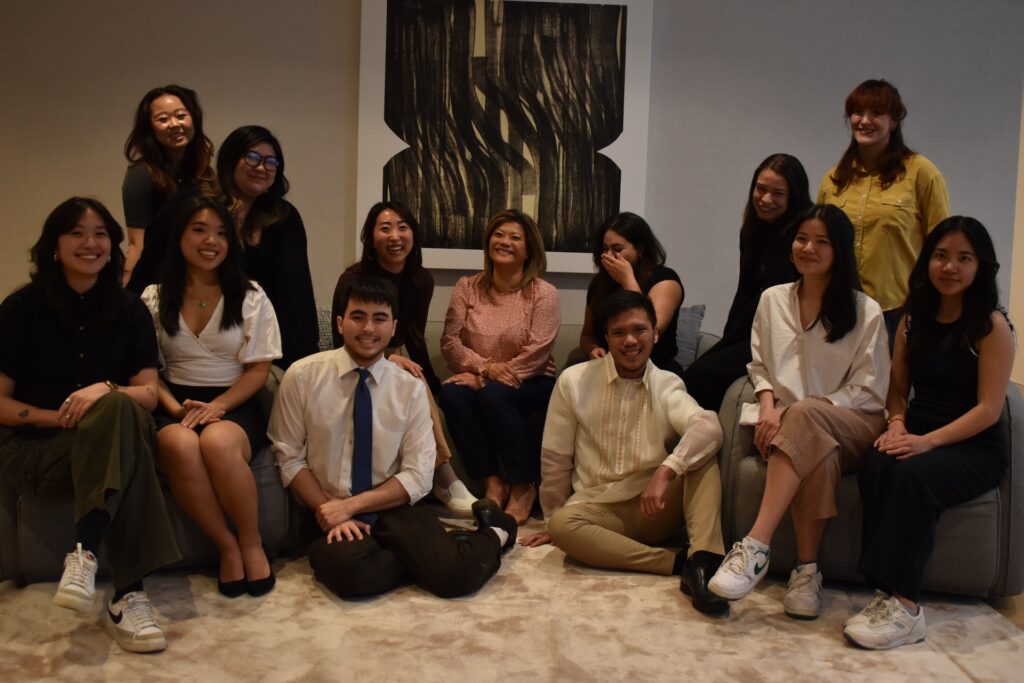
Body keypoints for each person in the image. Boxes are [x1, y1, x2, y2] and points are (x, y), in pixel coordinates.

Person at [0, 198, 180, 653]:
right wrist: (61, 415)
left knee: (119, 413)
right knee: (130, 445)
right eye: (77, 233)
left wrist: (103, 390)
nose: (90, 243)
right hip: (38, 451)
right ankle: (128, 593)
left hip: (108, 443)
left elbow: (147, 393)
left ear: (113, 245)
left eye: (101, 233)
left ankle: (85, 559)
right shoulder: (21, 309)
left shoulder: (129, 310)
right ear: (54, 246)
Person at [269, 275, 518, 599]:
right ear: (340, 323)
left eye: (379, 319)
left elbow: (417, 476)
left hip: (390, 503)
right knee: (351, 576)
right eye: (358, 317)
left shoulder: (410, 389)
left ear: (392, 326)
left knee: (455, 578)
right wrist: (331, 509)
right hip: (326, 505)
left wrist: (354, 506)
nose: (368, 328)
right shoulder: (302, 376)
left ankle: (497, 531)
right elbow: (288, 456)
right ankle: (439, 551)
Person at [708, 204, 890, 620]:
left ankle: (755, 546)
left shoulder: (866, 311)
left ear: (840, 251)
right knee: (816, 450)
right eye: (801, 238)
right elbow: (758, 365)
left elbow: (869, 388)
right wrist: (770, 405)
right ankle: (807, 573)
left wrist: (801, 411)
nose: (808, 248)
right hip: (801, 430)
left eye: (822, 241)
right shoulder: (772, 300)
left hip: (857, 423)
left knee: (807, 420)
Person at [844, 217, 1014, 649]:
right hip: (918, 429)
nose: (950, 267)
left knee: (913, 475)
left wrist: (926, 442)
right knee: (879, 463)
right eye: (941, 255)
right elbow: (897, 390)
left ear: (981, 267)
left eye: (963, 258)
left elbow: (989, 409)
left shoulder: (992, 327)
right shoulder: (912, 320)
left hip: (974, 446)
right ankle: (884, 591)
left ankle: (907, 608)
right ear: (927, 261)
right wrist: (898, 424)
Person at [521, 291, 728, 615]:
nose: (630, 340)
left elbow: (709, 427)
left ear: (655, 333)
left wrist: (666, 471)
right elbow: (556, 457)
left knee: (702, 453)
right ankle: (675, 562)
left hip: (655, 503)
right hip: (600, 509)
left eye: (639, 330)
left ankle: (703, 563)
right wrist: (552, 518)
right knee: (563, 526)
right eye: (619, 333)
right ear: (606, 337)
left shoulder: (667, 383)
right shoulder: (574, 381)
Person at [141, 195, 281, 598]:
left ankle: (251, 542)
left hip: (235, 401)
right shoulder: (153, 297)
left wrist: (219, 406)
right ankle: (227, 546)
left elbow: (259, 370)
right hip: (175, 402)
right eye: (199, 230)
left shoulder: (251, 295)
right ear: (179, 236)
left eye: (221, 233)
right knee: (180, 444)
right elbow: (147, 371)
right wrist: (175, 409)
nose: (211, 241)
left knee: (219, 443)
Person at [333, 201, 476, 516]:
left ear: (413, 234)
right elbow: (340, 337)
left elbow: (413, 332)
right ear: (371, 238)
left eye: (402, 227)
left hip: (395, 354)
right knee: (412, 379)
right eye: (385, 228)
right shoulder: (353, 278)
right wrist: (387, 359)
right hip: (357, 358)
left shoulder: (421, 279)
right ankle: (447, 478)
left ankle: (441, 481)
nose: (394, 236)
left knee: (423, 387)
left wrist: (430, 378)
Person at [438, 210, 561, 524]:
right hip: (483, 376)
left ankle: (523, 486)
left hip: (532, 380)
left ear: (529, 249)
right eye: (498, 234)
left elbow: (538, 351)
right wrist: (485, 369)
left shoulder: (543, 293)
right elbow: (450, 342)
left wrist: (486, 378)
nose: (504, 242)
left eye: (515, 237)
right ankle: (493, 482)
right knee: (452, 394)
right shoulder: (467, 287)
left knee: (493, 395)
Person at [817, 79, 950, 340]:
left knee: (891, 382)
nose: (865, 121)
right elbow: (818, 242)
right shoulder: (834, 178)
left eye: (876, 113)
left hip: (898, 311)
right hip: (840, 306)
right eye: (858, 112)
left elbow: (942, 246)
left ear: (895, 121)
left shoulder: (922, 173)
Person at [683, 154, 810, 410]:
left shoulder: (802, 239)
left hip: (784, 339)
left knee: (700, 378)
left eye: (778, 193)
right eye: (761, 189)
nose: (765, 200)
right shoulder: (752, 231)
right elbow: (745, 292)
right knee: (690, 377)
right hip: (750, 331)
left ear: (793, 197)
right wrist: (728, 339)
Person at [217, 125, 319, 369]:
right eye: (252, 158)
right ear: (230, 160)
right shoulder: (205, 211)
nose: (261, 167)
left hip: (269, 344)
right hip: (215, 338)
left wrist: (305, 360)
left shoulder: (284, 216)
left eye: (271, 162)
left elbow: (297, 291)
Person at [123, 84, 217, 292]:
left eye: (181, 116)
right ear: (150, 128)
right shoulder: (142, 174)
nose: (175, 125)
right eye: (163, 119)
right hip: (158, 282)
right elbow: (137, 244)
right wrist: (128, 297)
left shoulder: (206, 175)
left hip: (198, 279)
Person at [579, 212, 684, 376]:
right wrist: (592, 349)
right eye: (605, 249)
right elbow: (587, 335)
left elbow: (652, 329)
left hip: (655, 370)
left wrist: (627, 279)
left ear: (640, 249)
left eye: (618, 249)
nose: (609, 256)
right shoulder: (600, 284)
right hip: (609, 369)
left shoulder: (665, 279)